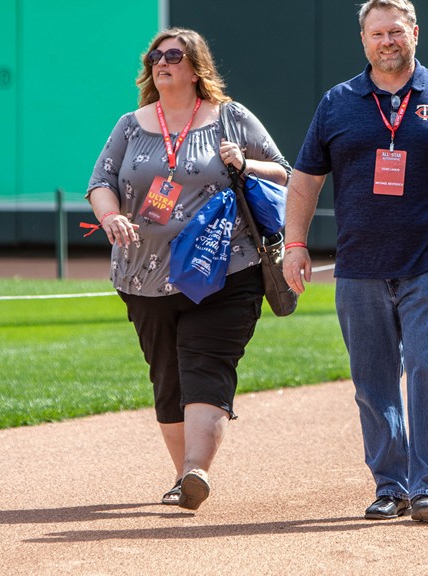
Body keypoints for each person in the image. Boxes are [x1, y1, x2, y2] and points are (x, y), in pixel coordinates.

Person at [282, 0, 428, 523]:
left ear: (415, 33)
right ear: (363, 41)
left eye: (396, 31)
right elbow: (305, 181)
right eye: (377, 33)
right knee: (373, 382)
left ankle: (427, 487)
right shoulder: (337, 102)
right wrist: (295, 244)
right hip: (359, 266)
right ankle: (391, 485)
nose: (387, 41)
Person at [87, 28, 290, 511]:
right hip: (143, 276)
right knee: (167, 376)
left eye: (174, 55)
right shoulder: (131, 125)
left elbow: (284, 171)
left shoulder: (231, 118)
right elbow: (100, 181)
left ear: (196, 66)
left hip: (224, 270)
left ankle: (197, 469)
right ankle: (184, 477)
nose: (162, 62)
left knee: (205, 365)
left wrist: (246, 164)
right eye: (155, 55)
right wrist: (111, 214)